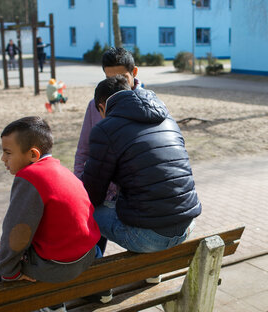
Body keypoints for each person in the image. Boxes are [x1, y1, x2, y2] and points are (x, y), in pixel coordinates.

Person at [0, 116, 102, 312]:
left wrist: (10, 272)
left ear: (33, 154)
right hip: (84, 257)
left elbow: (17, 230)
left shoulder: (29, 177)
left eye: (8, 153)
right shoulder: (61, 170)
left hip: (57, 267)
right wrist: (5, 244)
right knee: (4, 252)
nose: (3, 159)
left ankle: (36, 306)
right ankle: (54, 304)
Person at [82, 75, 201, 258]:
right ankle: (152, 273)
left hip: (148, 237)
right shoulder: (168, 119)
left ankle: (93, 266)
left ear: (102, 106)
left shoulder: (105, 129)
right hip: (187, 226)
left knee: (85, 212)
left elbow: (91, 194)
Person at [74, 47, 142, 224]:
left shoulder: (148, 104)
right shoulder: (95, 105)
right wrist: (79, 188)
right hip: (100, 193)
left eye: (123, 79)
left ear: (133, 72)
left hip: (134, 198)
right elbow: (83, 149)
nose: (116, 87)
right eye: (110, 79)